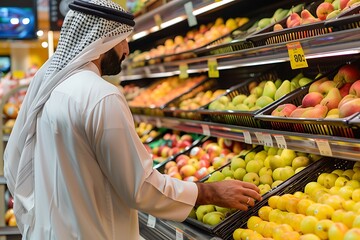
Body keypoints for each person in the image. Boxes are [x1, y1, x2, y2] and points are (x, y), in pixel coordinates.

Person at [4, 0, 262, 239]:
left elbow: (15, 162)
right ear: (102, 41)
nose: (127, 49)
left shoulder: (52, 87)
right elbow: (138, 187)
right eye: (122, 40)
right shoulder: (100, 95)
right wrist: (210, 192)